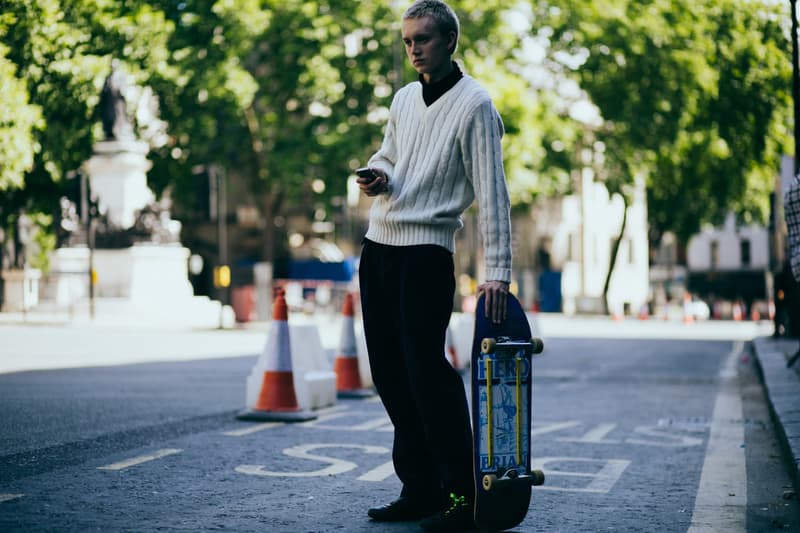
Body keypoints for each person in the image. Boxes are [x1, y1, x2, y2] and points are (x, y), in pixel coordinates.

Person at [357, 1, 512, 531]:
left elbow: (493, 195)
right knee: (389, 376)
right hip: (378, 246)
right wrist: (379, 175)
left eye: (422, 38)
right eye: (407, 41)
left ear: (450, 40)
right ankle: (418, 489)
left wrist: (499, 272)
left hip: (426, 256)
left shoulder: (476, 106)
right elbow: (391, 156)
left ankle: (459, 498)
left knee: (428, 377)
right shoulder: (403, 98)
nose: (413, 48)